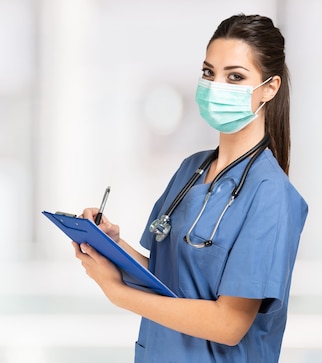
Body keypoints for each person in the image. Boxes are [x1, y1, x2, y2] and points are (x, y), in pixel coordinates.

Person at [72, 14, 308, 362]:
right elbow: (166, 280)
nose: (216, 86)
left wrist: (117, 293)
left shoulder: (271, 194)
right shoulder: (191, 170)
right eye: (209, 73)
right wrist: (111, 245)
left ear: (269, 88)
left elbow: (229, 324)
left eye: (235, 77)